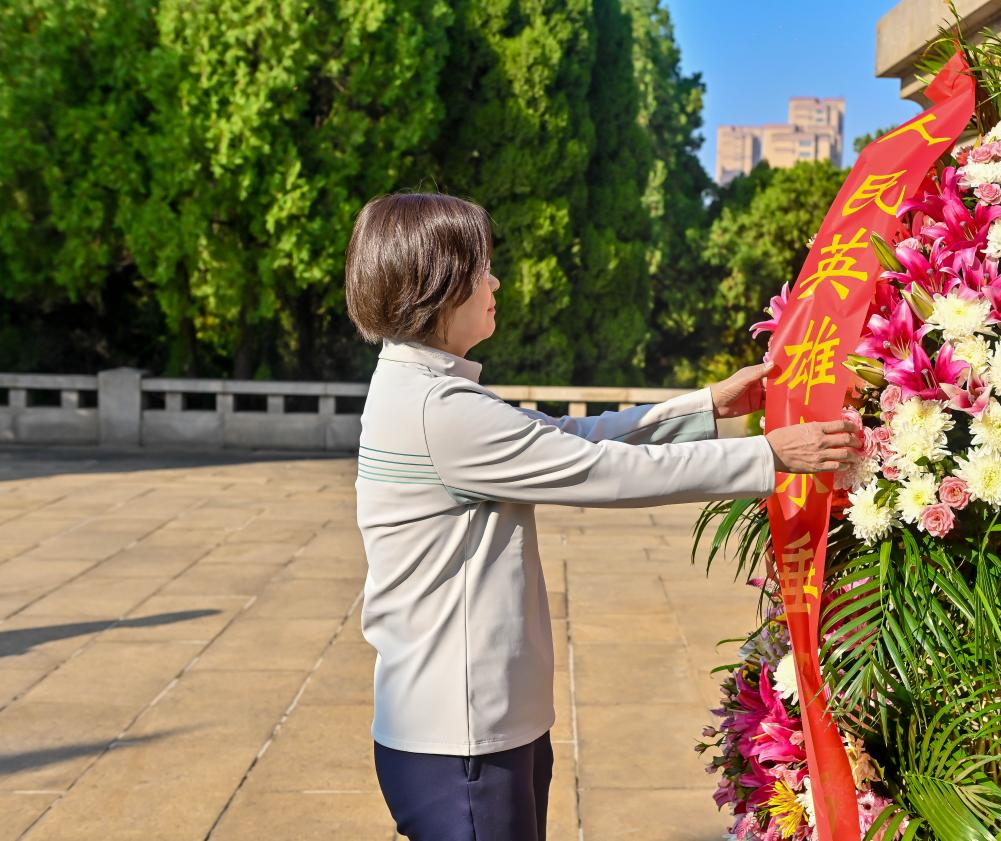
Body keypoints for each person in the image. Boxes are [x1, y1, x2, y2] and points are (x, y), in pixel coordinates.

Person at [344, 192, 860, 841]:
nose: (494, 283)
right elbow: (605, 470)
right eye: (480, 270)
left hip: (470, 725)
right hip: (461, 741)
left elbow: (572, 437)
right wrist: (770, 455)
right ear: (436, 285)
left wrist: (707, 407)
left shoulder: (425, 391)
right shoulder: (440, 411)